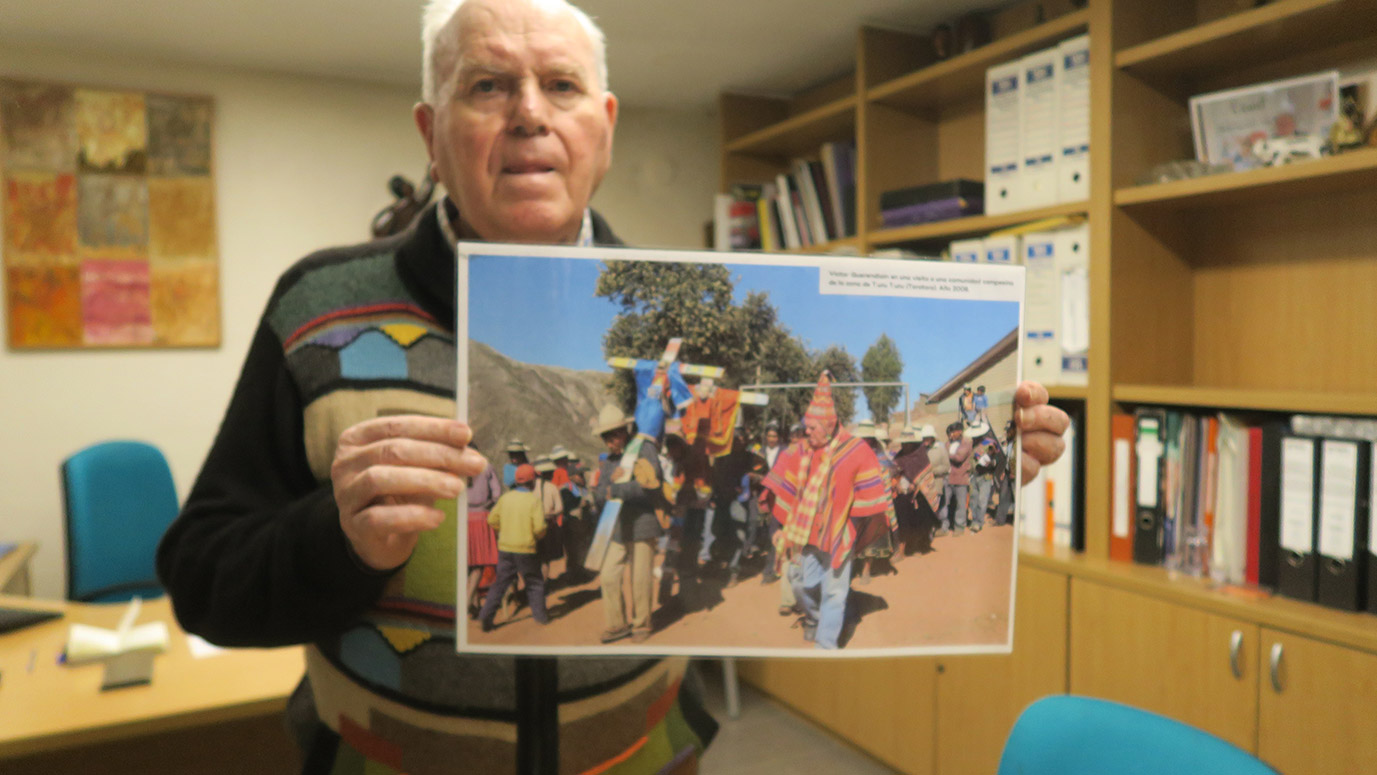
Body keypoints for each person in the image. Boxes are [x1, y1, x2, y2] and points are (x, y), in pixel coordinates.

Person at [154, 0, 1071, 768]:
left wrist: (975, 469)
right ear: (432, 136)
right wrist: (337, 536)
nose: (527, 114)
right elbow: (201, 579)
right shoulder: (319, 310)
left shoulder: (687, 307)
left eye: (558, 85)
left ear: (604, 125)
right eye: (486, 84)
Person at [763, 373, 894, 649]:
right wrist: (775, 517)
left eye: (811, 427)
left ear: (828, 425)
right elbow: (782, 478)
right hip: (805, 534)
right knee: (801, 584)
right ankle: (814, 618)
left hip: (839, 535)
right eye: (805, 427)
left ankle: (826, 645)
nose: (806, 432)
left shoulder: (854, 450)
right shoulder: (800, 451)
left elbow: (872, 489)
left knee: (834, 591)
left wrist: (854, 528)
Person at [590, 404, 666, 644]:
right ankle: (617, 624)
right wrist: (608, 490)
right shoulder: (611, 460)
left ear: (621, 432)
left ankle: (641, 624)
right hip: (617, 526)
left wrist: (616, 489)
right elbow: (599, 493)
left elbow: (652, 485)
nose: (607, 442)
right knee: (609, 575)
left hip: (643, 523)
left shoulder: (644, 448)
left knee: (640, 578)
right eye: (604, 437)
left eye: (609, 437)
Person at [478, 463, 549, 630]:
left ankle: (486, 617)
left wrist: (505, 531)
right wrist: (537, 536)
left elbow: (492, 520)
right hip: (526, 549)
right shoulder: (534, 501)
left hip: (505, 548)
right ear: (532, 482)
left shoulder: (505, 498)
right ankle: (540, 619)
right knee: (534, 583)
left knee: (500, 584)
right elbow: (539, 528)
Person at [465, 457, 503, 616]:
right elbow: (497, 493)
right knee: (478, 565)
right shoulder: (486, 466)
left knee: (468, 563)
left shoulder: (457, 466)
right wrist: (487, 504)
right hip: (481, 517)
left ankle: (474, 605)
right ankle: (467, 602)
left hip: (462, 517)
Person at [943, 421, 974, 536]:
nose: (951, 434)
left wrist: (947, 454)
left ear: (959, 431)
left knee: (961, 504)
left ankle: (959, 527)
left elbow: (959, 458)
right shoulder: (948, 444)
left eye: (953, 432)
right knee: (947, 503)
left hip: (961, 478)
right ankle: (945, 525)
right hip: (949, 478)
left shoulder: (966, 443)